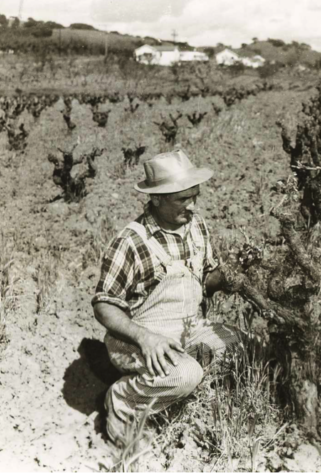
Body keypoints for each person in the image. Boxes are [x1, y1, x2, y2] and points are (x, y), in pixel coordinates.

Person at [92, 150, 239, 446]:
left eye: (194, 195)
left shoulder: (197, 226)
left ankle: (170, 395)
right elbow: (104, 305)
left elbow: (204, 281)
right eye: (182, 199)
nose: (192, 204)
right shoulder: (131, 241)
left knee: (243, 344)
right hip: (137, 339)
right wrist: (145, 338)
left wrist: (227, 278)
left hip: (187, 328)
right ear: (157, 199)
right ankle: (123, 401)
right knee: (185, 373)